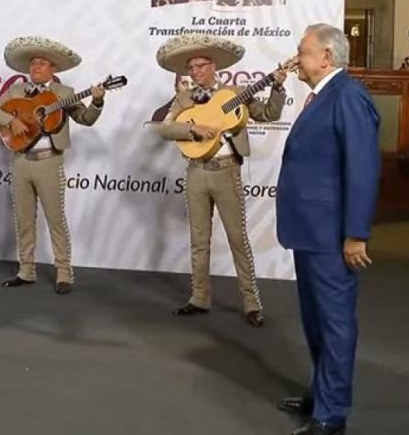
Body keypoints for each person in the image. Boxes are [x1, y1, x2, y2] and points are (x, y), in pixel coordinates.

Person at [276, 23, 380, 435]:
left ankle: (331, 413)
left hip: (333, 236)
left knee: (335, 323)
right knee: (316, 319)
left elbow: (363, 170)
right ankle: (322, 392)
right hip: (310, 232)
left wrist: (356, 234)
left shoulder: (349, 96)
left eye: (302, 52)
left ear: (326, 58)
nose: (296, 58)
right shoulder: (323, 95)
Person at [156, 34, 286, 327]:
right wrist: (191, 131)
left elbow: (268, 113)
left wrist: (277, 85)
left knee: (237, 238)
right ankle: (199, 298)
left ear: (213, 66)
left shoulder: (235, 93)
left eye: (201, 66)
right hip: (196, 172)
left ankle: (252, 303)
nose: (196, 72)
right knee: (198, 240)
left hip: (227, 171)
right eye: (191, 67)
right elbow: (165, 129)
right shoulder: (184, 98)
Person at [0, 36, 105, 295]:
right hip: (20, 162)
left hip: (49, 162)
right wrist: (11, 120)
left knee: (55, 219)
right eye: (33, 64)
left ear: (54, 69)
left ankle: (64, 273)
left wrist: (96, 102)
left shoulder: (65, 94)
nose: (36, 68)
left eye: (42, 64)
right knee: (24, 219)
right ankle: (26, 270)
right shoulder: (17, 91)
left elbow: (85, 119)